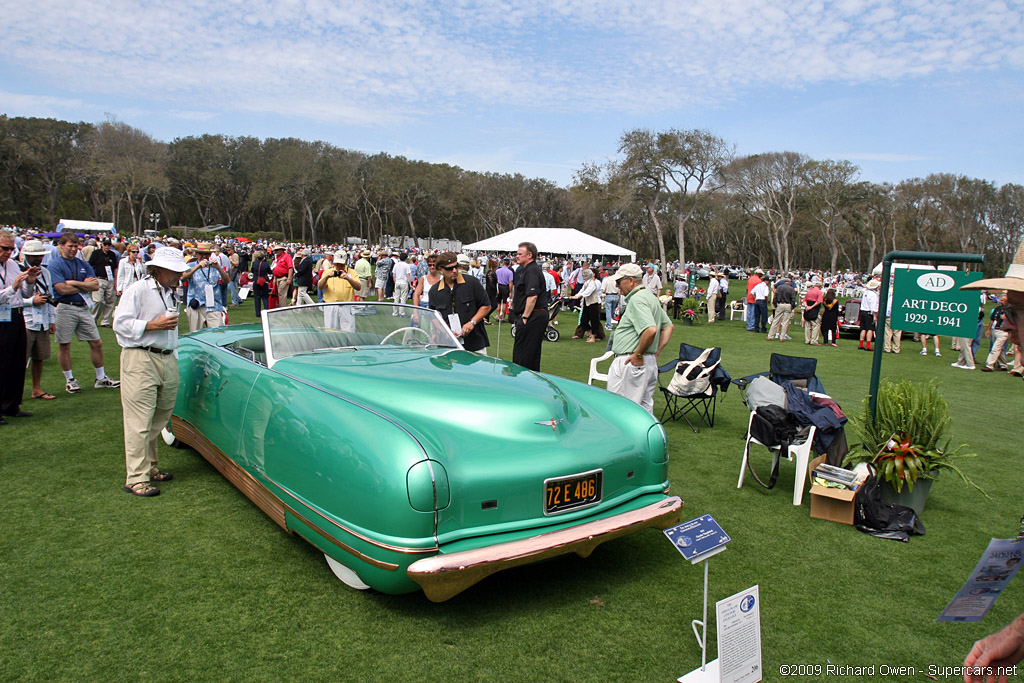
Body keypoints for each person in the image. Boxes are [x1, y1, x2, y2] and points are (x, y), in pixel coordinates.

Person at [112, 247, 188, 497]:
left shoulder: (168, 292)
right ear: (160, 269)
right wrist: (152, 325)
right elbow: (120, 324)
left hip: (166, 357)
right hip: (141, 357)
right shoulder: (138, 290)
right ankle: (136, 477)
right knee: (139, 421)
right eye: (176, 271)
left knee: (160, 416)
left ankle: (151, 467)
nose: (180, 276)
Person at [48, 233, 120, 394]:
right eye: (70, 246)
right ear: (61, 246)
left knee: (96, 342)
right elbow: (61, 289)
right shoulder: (55, 265)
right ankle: (70, 380)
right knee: (65, 344)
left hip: (82, 306)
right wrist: (83, 285)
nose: (74, 249)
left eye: (76, 246)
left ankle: (101, 378)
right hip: (65, 306)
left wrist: (73, 283)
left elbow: (94, 286)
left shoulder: (82, 263)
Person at [607, 263, 674, 414]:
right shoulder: (649, 297)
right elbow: (668, 327)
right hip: (646, 361)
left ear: (630, 280)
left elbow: (651, 330)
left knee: (622, 410)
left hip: (633, 362)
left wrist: (638, 354)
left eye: (619, 282)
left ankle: (625, 439)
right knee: (643, 410)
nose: (618, 287)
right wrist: (654, 354)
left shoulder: (638, 299)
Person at [0, 230, 37, 422]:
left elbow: (24, 293)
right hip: (1, 317)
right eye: (4, 248)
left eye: (11, 248)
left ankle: (12, 404)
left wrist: (29, 282)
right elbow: (7, 293)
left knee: (16, 361)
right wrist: (13, 287)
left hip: (15, 315)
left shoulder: (13, 264)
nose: (8, 252)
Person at [429, 251, 491, 352]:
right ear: (440, 270)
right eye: (449, 268)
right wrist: (446, 332)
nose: (454, 270)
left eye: (456, 266)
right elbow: (433, 317)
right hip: (448, 346)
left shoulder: (472, 283)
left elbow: (486, 305)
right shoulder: (434, 291)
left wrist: (472, 323)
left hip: (475, 344)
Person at [19, 240, 58, 401]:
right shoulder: (19, 270)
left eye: (40, 256)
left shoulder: (45, 272)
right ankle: (15, 391)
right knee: (21, 357)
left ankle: (36, 388)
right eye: (34, 256)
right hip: (25, 319)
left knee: (39, 356)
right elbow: (15, 297)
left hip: (41, 319)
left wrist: (52, 320)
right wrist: (31, 301)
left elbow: (49, 296)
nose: (38, 259)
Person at [511, 242, 548, 371]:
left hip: (533, 316)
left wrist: (525, 317)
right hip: (534, 316)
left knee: (524, 355)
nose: (517, 256)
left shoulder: (532, 270)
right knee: (528, 354)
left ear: (530, 255)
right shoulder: (527, 270)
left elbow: (533, 296)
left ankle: (522, 383)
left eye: (520, 254)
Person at [180, 242, 228, 333]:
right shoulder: (191, 265)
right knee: (196, 334)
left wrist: (218, 268)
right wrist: (197, 266)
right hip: (197, 304)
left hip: (214, 305)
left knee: (218, 333)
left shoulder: (215, 265)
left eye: (206, 254)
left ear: (210, 254)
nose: (204, 256)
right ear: (196, 254)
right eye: (201, 254)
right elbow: (183, 277)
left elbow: (227, 280)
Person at [88, 237, 119, 327]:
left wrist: (116, 281)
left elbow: (115, 268)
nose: (107, 246)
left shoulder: (112, 254)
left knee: (110, 301)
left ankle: (105, 321)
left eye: (109, 245)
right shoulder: (96, 253)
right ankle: (93, 319)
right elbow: (90, 266)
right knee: (98, 300)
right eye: (105, 244)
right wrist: (91, 278)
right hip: (99, 279)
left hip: (110, 280)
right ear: (102, 245)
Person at [569, 269, 603, 343]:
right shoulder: (586, 283)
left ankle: (593, 337)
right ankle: (591, 332)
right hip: (587, 303)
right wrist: (574, 296)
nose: (583, 276)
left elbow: (587, 292)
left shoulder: (593, 283)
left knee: (594, 320)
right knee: (583, 320)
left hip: (593, 303)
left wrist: (578, 297)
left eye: (584, 275)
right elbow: (582, 290)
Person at [767, 276, 796, 341]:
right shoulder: (791, 288)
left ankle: (770, 336)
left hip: (780, 304)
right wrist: (792, 306)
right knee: (785, 322)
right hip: (788, 304)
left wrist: (775, 304)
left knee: (775, 320)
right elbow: (793, 298)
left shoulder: (779, 288)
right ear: (789, 282)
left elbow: (775, 297)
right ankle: (782, 337)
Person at [859, 278, 880, 351]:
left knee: (863, 328)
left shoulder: (866, 292)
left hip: (863, 311)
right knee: (870, 329)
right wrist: (875, 315)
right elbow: (873, 306)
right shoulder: (873, 295)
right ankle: (868, 345)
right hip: (869, 312)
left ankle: (861, 343)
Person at [250, 249, 272, 317]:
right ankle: (266, 311)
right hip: (264, 281)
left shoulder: (254, 263)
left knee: (257, 297)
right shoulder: (266, 264)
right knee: (265, 297)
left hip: (256, 281)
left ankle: (258, 313)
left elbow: (252, 271)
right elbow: (270, 271)